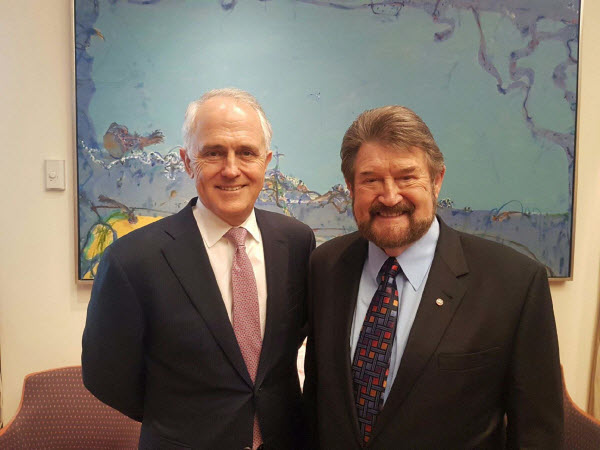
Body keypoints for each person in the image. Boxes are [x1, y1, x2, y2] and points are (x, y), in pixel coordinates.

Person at [303, 105, 563, 449]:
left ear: (436, 181)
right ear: (351, 187)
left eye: (406, 177)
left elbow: (538, 434)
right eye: (371, 180)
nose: (390, 196)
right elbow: (317, 404)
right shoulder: (325, 265)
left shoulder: (514, 283)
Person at [82, 88, 315, 449]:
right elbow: (106, 376)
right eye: (213, 153)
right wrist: (180, 420)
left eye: (246, 153)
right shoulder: (131, 260)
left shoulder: (297, 242)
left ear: (266, 161)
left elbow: (288, 345)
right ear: (187, 161)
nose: (231, 169)